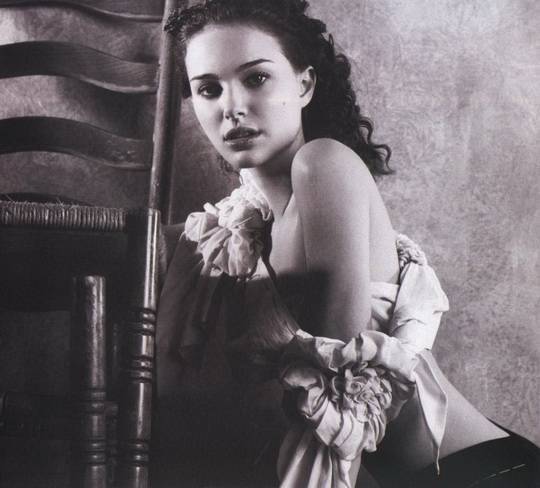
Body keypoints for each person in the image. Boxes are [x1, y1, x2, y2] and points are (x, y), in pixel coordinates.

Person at [155, 0, 540, 486]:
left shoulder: (323, 165)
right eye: (209, 89)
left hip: (487, 474)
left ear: (304, 85)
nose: (231, 107)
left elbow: (339, 380)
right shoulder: (245, 226)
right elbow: (147, 244)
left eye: (256, 78)